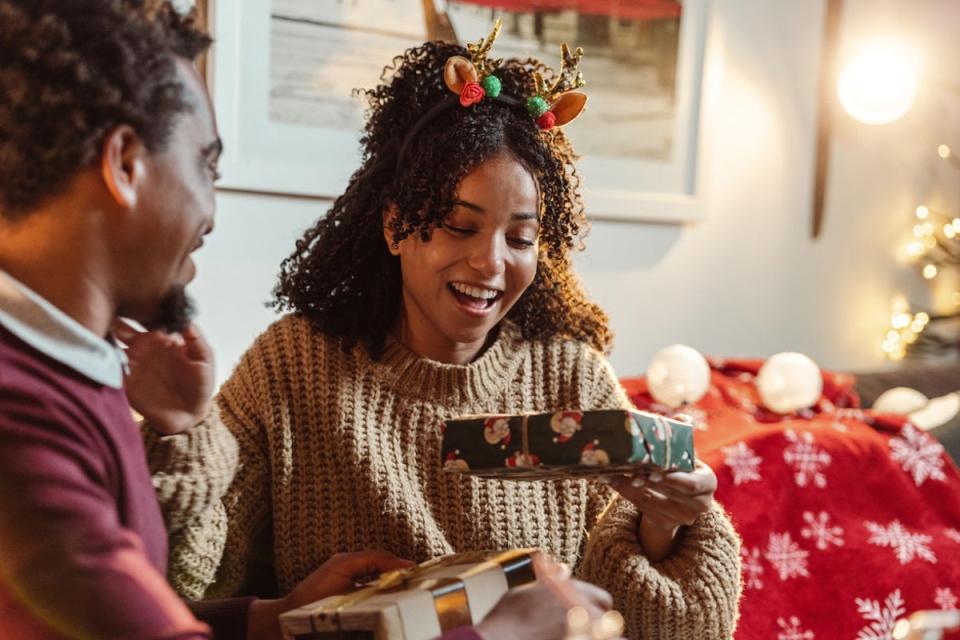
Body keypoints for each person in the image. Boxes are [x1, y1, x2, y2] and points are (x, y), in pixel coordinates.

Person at [0, 2, 610, 639]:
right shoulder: (26, 416)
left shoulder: (82, 369)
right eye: (207, 167)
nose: (211, 212)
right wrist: (504, 632)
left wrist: (273, 616)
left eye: (521, 237)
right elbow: (173, 585)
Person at [132, 26, 742, 640]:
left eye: (521, 238)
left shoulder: (571, 376)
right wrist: (176, 430)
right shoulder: (294, 367)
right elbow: (181, 581)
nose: (492, 263)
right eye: (459, 225)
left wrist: (663, 525)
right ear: (397, 227)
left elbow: (652, 627)